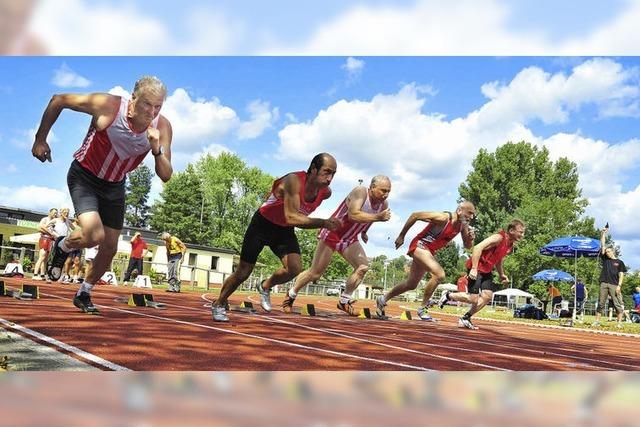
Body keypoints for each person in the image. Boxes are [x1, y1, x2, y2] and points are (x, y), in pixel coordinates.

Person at [31, 76, 173, 313]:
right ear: (134, 98)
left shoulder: (162, 126)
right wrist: (40, 139)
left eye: (158, 106)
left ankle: (84, 292)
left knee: (110, 247)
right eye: (147, 104)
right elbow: (59, 100)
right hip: (84, 175)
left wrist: (156, 149)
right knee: (93, 234)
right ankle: (63, 245)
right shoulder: (109, 106)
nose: (152, 111)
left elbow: (166, 175)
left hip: (115, 185)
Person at [211, 153, 341, 322]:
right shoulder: (294, 181)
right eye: (327, 172)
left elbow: (290, 218)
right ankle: (219, 303)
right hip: (262, 224)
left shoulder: (325, 193)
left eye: (333, 174)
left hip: (284, 231)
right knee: (243, 272)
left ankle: (265, 285)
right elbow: (292, 217)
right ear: (314, 169)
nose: (330, 178)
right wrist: (323, 223)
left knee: (294, 269)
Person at [282, 175, 392, 315]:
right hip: (332, 233)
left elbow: (370, 219)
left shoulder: (384, 205)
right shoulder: (360, 192)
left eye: (388, 191)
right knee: (315, 273)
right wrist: (378, 217)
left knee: (362, 267)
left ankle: (344, 301)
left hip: (350, 239)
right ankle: (291, 295)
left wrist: (364, 231)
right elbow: (353, 215)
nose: (386, 194)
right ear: (372, 188)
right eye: (383, 190)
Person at [376, 202, 476, 321]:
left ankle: (382, 299)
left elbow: (468, 246)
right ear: (459, 210)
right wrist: (401, 236)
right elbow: (415, 215)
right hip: (420, 246)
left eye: (473, 214)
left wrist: (470, 238)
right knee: (439, 274)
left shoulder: (462, 226)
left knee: (411, 284)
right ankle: (423, 308)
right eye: (469, 213)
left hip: (429, 251)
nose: (471, 217)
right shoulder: (443, 218)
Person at [438, 219, 526, 329]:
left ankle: (466, 317)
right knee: (473, 299)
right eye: (520, 232)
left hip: (487, 270)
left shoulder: (510, 246)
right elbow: (477, 247)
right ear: (512, 230)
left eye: (523, 232)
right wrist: (474, 268)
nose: (522, 235)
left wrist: (501, 274)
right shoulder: (499, 237)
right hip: (476, 267)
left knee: (487, 296)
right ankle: (447, 295)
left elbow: (498, 260)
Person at [593, 226, 626, 327]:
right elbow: (602, 244)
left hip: (614, 285)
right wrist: (603, 233)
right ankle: (597, 321)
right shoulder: (605, 259)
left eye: (608, 251)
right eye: (606, 252)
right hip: (604, 283)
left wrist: (619, 286)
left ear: (613, 251)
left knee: (616, 304)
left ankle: (619, 323)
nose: (607, 253)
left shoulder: (619, 262)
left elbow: (621, 275)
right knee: (601, 303)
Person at [32, 208, 58, 280]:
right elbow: (40, 228)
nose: (55, 214)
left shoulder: (55, 221)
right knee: (42, 256)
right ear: (50, 212)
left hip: (51, 239)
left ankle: (42, 274)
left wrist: (54, 235)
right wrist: (51, 233)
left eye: (56, 213)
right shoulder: (45, 219)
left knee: (46, 258)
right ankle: (35, 274)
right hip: (45, 238)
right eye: (54, 213)